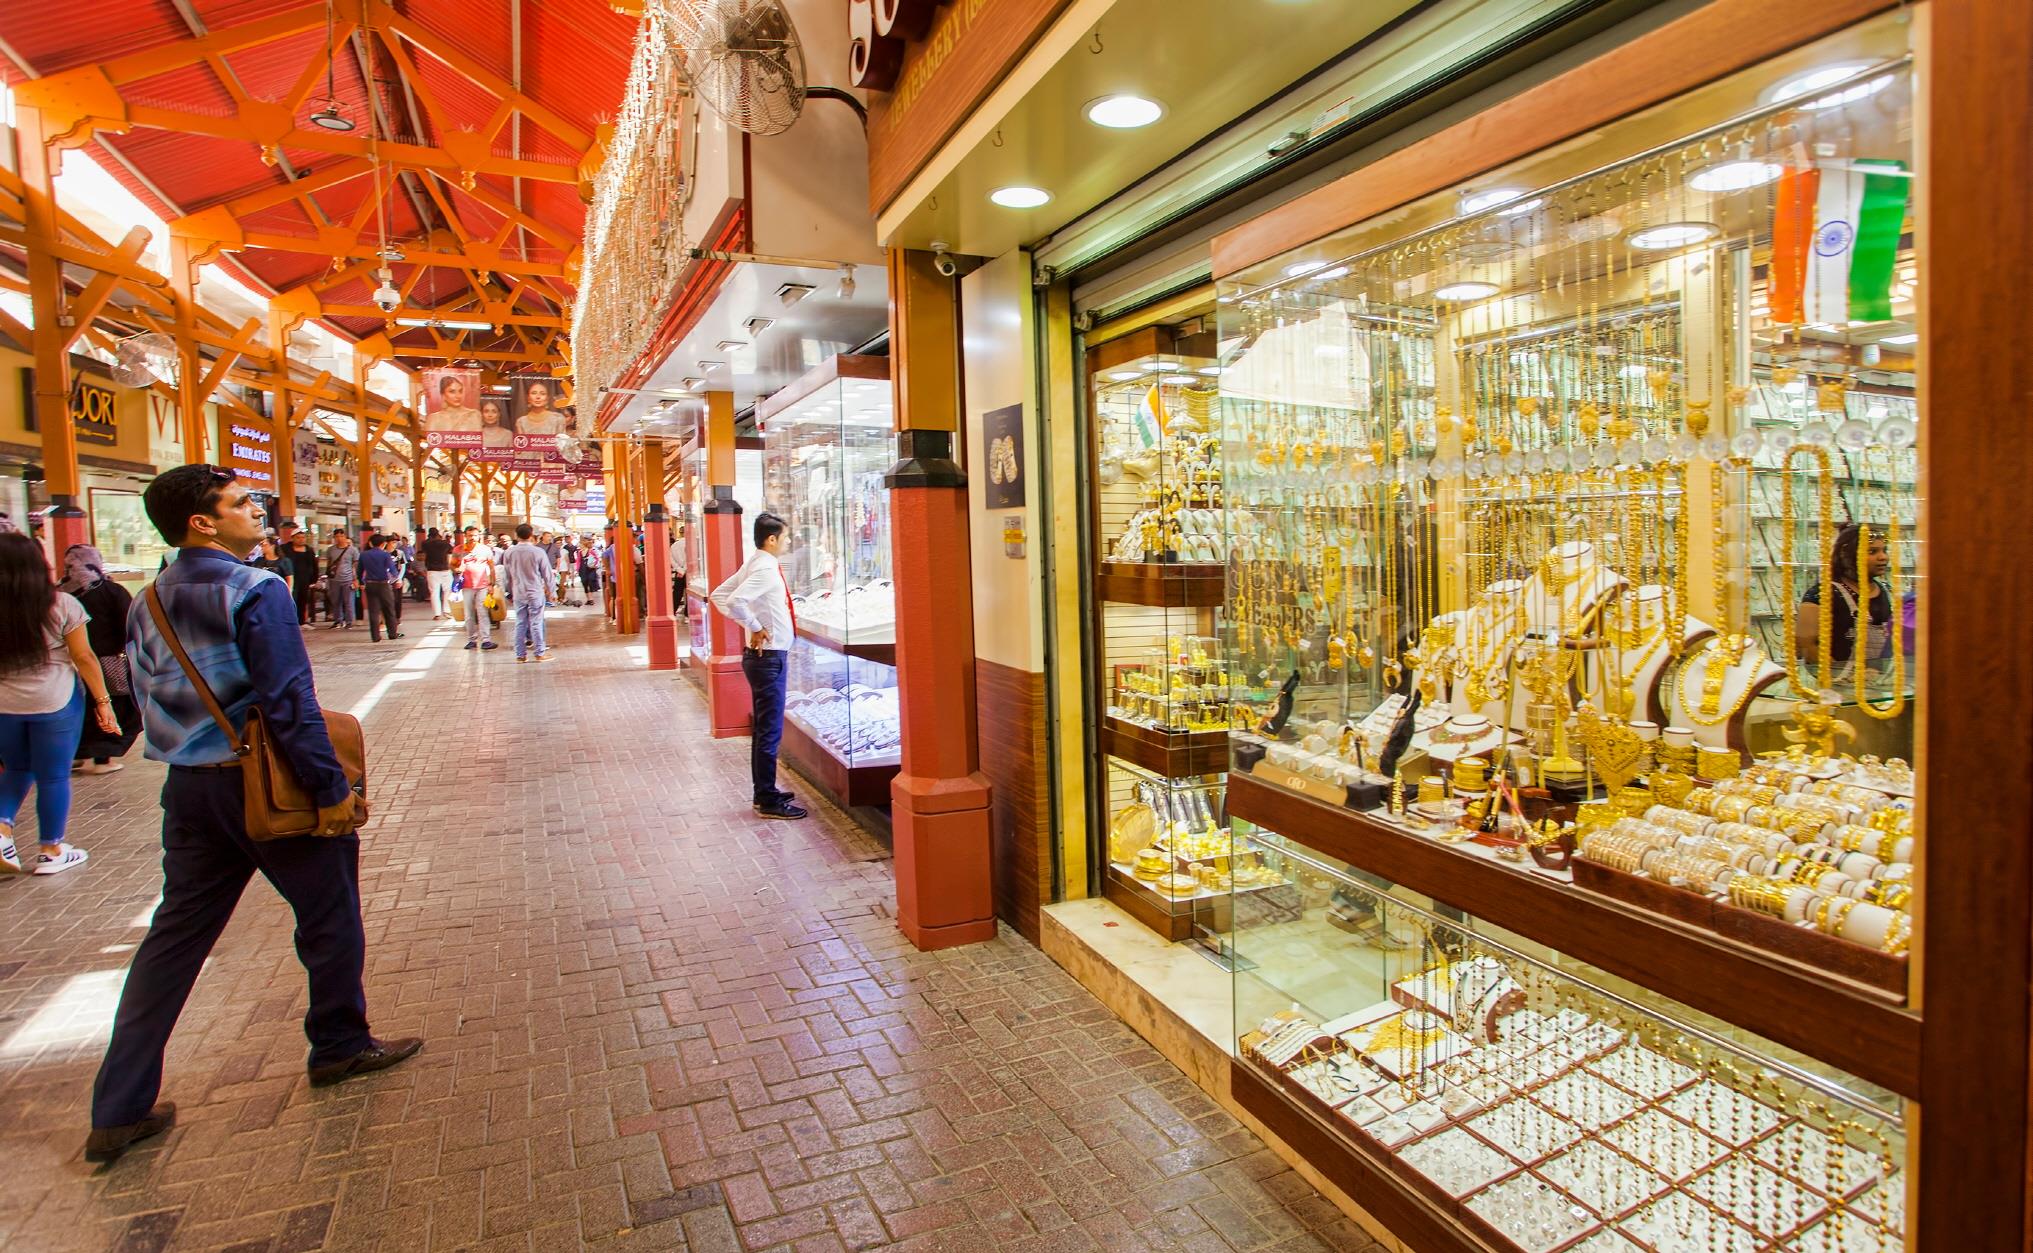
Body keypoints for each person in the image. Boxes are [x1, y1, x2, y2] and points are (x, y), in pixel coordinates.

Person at [85, 464, 421, 1164]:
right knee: (329, 916)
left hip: (188, 790)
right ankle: (339, 1042)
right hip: (267, 785)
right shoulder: (254, 589)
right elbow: (289, 701)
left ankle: (118, 1106)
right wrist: (329, 789)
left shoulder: (148, 599)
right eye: (240, 503)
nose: (257, 512)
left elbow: (147, 696)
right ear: (202, 522)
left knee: (173, 940)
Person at [0, 535, 120, 876]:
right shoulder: (62, 604)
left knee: (17, 768)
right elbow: (84, 657)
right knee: (53, 776)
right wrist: (103, 702)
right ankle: (51, 851)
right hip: (55, 701)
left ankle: (1, 831)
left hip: (5, 705)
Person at [709, 512, 806, 821]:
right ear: (772, 539)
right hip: (769, 658)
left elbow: (719, 595)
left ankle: (764, 791)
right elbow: (732, 600)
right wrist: (754, 625)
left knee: (765, 729)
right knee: (769, 731)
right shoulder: (764, 568)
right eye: (785, 537)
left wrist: (752, 625)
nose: (788, 542)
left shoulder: (756, 563)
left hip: (766, 657)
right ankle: (767, 799)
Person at [62, 545, 142, 775]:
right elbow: (130, 624)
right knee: (114, 707)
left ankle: (77, 754)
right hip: (109, 662)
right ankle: (102, 758)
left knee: (81, 709)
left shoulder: (60, 593)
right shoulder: (111, 590)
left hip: (69, 664)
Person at [1797, 522, 1895, 673]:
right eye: (1872, 551)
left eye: (1884, 550)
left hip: (1878, 681)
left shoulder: (1885, 591)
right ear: (1847, 555)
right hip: (1837, 683)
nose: (1883, 557)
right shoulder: (1822, 594)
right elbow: (1805, 646)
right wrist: (1842, 675)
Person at [501, 524, 555, 662]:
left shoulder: (509, 552)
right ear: (531, 535)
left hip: (518, 592)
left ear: (516, 535)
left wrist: (508, 592)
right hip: (535, 592)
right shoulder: (538, 552)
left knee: (520, 622)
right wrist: (552, 591)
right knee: (536, 622)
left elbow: (506, 575)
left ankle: (520, 655)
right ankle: (539, 653)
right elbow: (547, 574)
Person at [358, 535, 404, 643]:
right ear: (383, 544)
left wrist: (361, 582)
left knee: (373, 611)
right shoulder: (385, 555)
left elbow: (359, 571)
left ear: (370, 543)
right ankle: (392, 633)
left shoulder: (364, 555)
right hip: (383, 585)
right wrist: (397, 579)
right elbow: (393, 570)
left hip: (370, 585)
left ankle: (375, 636)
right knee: (389, 609)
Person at [459, 532, 500, 652]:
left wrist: (492, 584)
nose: (472, 537)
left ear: (479, 536)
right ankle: (471, 640)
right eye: (470, 535)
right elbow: (452, 565)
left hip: (482, 586)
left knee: (483, 613)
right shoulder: (459, 549)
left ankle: (486, 640)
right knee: (468, 614)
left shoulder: (485, 550)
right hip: (466, 586)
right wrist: (457, 569)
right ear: (465, 536)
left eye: (475, 535)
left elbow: (491, 567)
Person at [324, 531, 358, 630]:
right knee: (335, 601)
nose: (339, 538)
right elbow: (329, 563)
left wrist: (355, 579)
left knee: (349, 601)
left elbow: (355, 565)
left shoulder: (353, 550)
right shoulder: (331, 550)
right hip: (334, 579)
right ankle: (338, 621)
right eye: (337, 536)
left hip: (348, 579)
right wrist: (328, 575)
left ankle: (349, 622)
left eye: (341, 536)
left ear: (345, 537)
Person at [420, 527, 454, 619]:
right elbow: (450, 554)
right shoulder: (445, 543)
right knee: (447, 591)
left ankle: (437, 614)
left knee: (434, 592)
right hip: (445, 569)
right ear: (438, 534)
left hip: (432, 570)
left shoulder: (425, 543)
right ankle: (447, 611)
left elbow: (424, 553)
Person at [288, 532, 319, 626]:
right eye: (298, 537)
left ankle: (301, 621)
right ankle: (292, 621)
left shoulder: (309, 550)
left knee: (303, 601)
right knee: (292, 600)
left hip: (305, 580)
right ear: (292, 538)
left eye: (303, 537)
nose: (301, 539)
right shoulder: (286, 549)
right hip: (292, 579)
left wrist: (314, 579)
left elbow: (314, 565)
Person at [671, 527, 688, 619]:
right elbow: (691, 558)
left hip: (679, 572)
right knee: (690, 593)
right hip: (689, 572)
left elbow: (671, 560)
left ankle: (672, 611)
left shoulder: (674, 546)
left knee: (677, 592)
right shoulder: (692, 543)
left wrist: (679, 570)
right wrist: (684, 569)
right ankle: (687, 613)